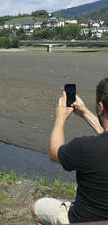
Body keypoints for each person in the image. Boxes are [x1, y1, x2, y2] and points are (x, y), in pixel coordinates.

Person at [32, 78, 108, 225]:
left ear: (100, 107)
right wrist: (85, 113)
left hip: (83, 220)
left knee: (37, 207)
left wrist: (60, 118)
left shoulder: (85, 147)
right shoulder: (95, 146)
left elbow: (55, 153)